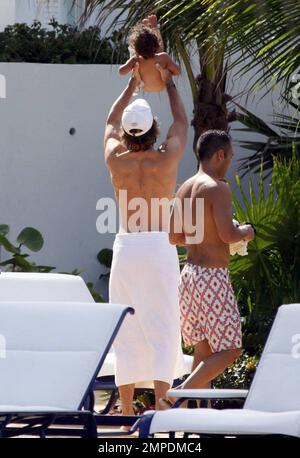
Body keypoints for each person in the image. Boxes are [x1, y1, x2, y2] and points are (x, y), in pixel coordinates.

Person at [104, 54, 189, 422]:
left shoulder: (116, 159)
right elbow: (183, 122)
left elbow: (109, 122)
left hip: (126, 247)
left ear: (126, 132)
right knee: (163, 324)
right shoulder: (166, 158)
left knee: (126, 326)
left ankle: (125, 414)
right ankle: (161, 414)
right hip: (157, 247)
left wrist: (131, 85)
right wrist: (167, 81)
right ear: (154, 129)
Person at [163, 130, 255, 406]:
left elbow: (173, 236)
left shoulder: (184, 188)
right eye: (229, 156)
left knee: (204, 353)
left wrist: (203, 237)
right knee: (230, 350)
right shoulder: (217, 187)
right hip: (211, 278)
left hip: (189, 276)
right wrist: (246, 231)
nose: (229, 162)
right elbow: (228, 235)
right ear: (220, 155)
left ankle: (201, 420)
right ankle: (178, 395)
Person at [119, 19, 180, 92]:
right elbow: (177, 72)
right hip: (161, 85)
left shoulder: (136, 59)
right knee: (160, 55)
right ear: (156, 44)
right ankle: (154, 28)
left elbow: (121, 71)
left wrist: (130, 62)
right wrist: (166, 70)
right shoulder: (163, 57)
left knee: (136, 66)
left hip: (145, 87)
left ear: (136, 49)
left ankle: (137, 76)